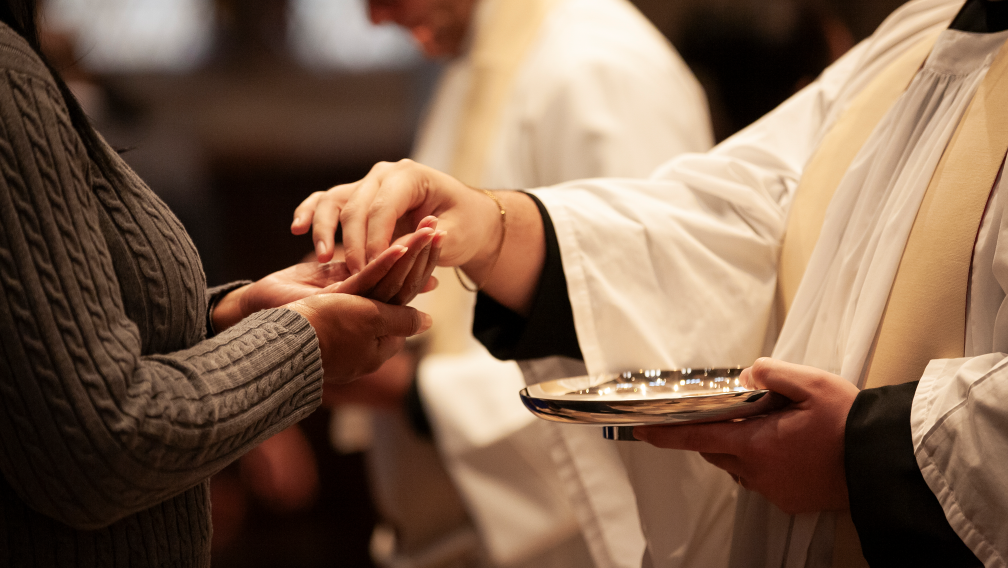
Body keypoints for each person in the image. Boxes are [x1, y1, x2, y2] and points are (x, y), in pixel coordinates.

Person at [294, 0, 1008, 565]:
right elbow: (741, 212)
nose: (372, 18)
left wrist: (870, 454)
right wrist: (491, 228)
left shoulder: (599, 64)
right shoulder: (924, 31)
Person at [0, 0, 444, 565]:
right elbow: (98, 443)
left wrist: (232, 313)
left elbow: (46, 338)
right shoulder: (9, 78)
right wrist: (303, 342)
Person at [316, 0, 714, 567]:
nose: (375, 19)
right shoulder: (481, 59)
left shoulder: (602, 68)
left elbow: (653, 343)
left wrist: (415, 392)